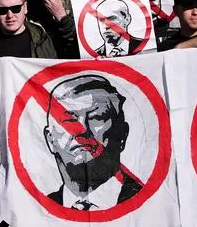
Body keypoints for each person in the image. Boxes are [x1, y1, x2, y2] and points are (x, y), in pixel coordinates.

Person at [43, 74, 141, 209]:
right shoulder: (35, 210)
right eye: (69, 121)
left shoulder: (154, 204)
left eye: (97, 118)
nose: (82, 130)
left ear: (122, 135)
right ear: (50, 139)